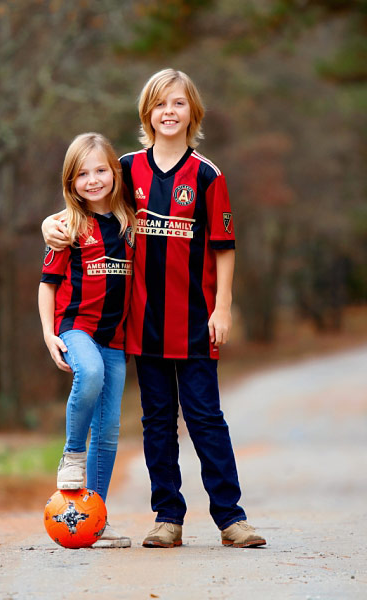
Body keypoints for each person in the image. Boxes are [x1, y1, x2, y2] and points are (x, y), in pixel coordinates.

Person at [42, 69, 266, 549]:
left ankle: (231, 518)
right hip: (142, 325)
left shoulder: (208, 175)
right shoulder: (125, 170)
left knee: (206, 418)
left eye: (179, 103)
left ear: (193, 113)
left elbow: (225, 246)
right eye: (160, 104)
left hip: (194, 321)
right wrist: (49, 224)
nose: (169, 111)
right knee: (157, 423)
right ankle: (168, 517)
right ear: (147, 113)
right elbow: (86, 200)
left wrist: (222, 307)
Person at [38, 132, 135, 548]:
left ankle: (95, 516)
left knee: (110, 429)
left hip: (117, 338)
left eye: (100, 170)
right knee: (89, 373)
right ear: (70, 182)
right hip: (76, 328)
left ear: (115, 172)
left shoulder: (132, 223)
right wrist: (48, 334)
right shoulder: (67, 227)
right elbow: (47, 284)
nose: (92, 180)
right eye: (82, 174)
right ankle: (72, 453)